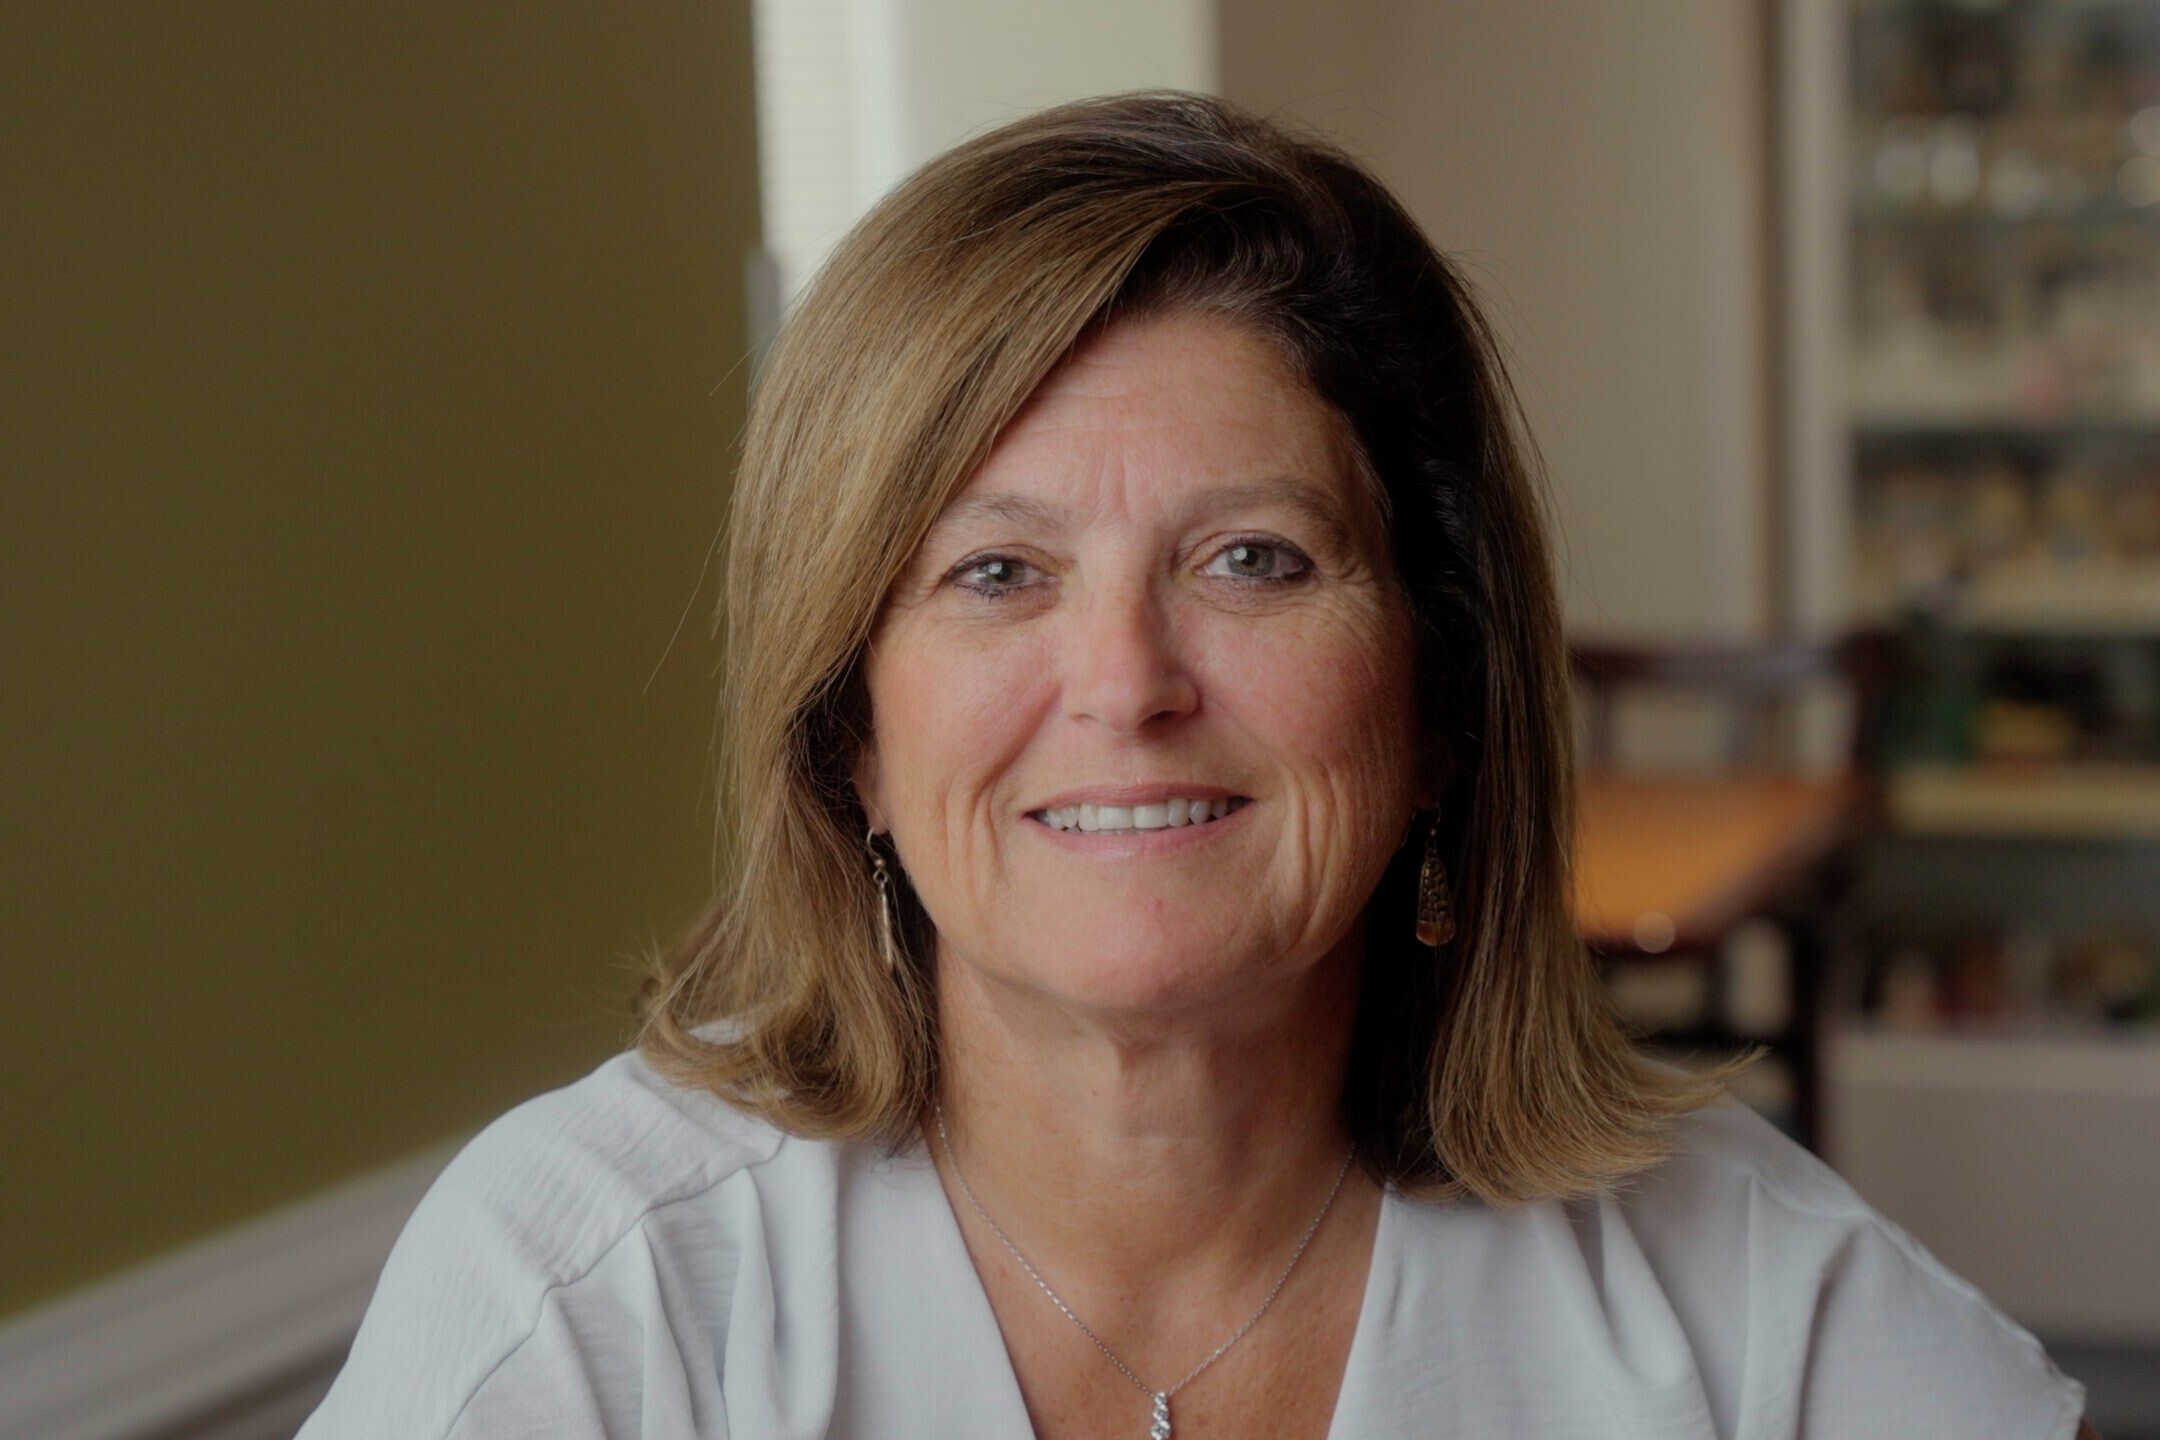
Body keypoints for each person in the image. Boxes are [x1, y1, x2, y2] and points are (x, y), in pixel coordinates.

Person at [299, 92, 2092, 1439]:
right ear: (846, 725)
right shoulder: (593, 1297)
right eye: (996, 575)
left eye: (1254, 560)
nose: (1127, 683)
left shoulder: (1746, 1295)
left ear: (1445, 684)